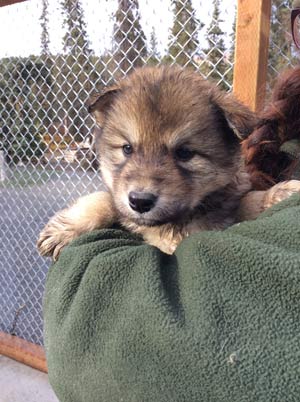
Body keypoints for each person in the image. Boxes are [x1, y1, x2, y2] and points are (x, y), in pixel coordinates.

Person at [43, 6, 300, 402]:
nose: (142, 183)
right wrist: (93, 211)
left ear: (232, 148)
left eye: (183, 153)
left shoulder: (235, 191)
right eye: (126, 149)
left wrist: (261, 202)